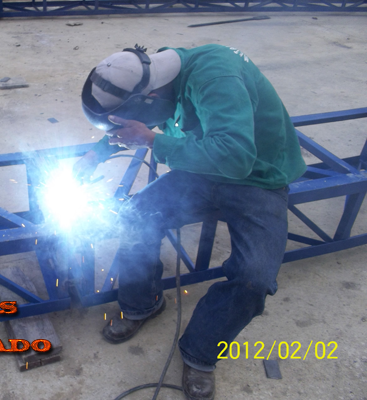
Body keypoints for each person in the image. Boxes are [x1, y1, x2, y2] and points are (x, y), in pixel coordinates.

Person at [74, 44, 306, 400]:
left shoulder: (216, 78)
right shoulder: (157, 76)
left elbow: (235, 158)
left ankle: (200, 352)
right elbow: (135, 123)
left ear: (151, 97)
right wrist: (95, 154)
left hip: (257, 177)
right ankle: (142, 303)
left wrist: (153, 140)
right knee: (135, 218)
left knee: (254, 278)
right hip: (200, 167)